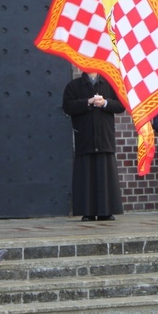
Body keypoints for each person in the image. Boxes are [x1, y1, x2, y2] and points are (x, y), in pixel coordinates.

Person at [62, 71, 125, 222]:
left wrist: (105, 103)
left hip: (104, 136)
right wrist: (87, 102)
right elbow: (68, 106)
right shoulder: (73, 86)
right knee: (85, 175)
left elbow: (121, 105)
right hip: (85, 136)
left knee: (105, 174)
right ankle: (87, 211)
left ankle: (106, 211)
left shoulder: (110, 84)